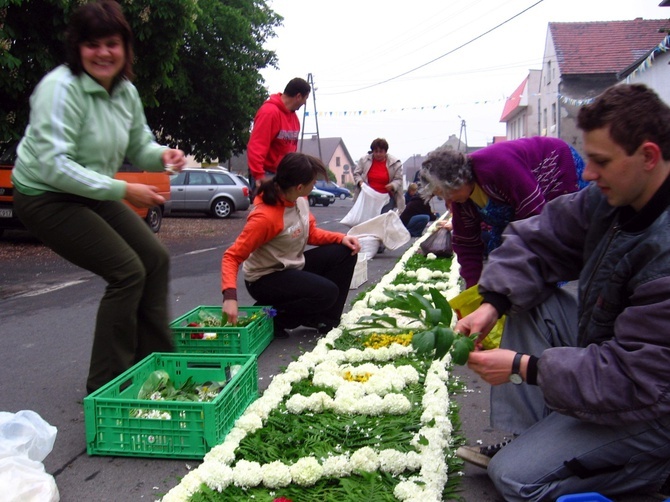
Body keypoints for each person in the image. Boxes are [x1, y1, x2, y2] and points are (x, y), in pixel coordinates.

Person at [454, 83, 670, 500]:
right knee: (528, 301)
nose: (587, 174)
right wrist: (492, 304)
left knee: (516, 479)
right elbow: (538, 239)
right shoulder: (612, 197)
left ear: (648, 156)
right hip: (617, 359)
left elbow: (639, 377)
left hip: (655, 401)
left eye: (600, 161)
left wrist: (524, 367)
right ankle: (540, 440)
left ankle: (652, 471)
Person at [11, 0, 186, 394]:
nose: (103, 53)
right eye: (92, 44)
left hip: (91, 188)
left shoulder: (124, 92)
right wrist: (124, 188)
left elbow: (139, 144)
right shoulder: (59, 89)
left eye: (111, 43)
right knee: (127, 272)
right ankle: (108, 388)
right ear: (78, 47)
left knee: (154, 259)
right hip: (46, 194)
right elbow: (56, 166)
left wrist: (162, 156)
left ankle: (157, 371)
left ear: (124, 46)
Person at [222, 152, 360, 338]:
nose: (315, 186)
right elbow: (232, 256)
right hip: (265, 278)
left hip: (292, 266)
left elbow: (309, 233)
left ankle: (325, 321)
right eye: (313, 182)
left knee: (345, 252)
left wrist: (341, 238)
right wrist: (230, 298)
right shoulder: (265, 217)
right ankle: (270, 318)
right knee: (327, 292)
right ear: (300, 186)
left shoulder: (299, 200)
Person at [419, 137, 587, 288]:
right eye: (442, 197)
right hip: (518, 204)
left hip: (556, 171)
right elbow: (466, 244)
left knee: (544, 253)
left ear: (456, 181)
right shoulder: (461, 200)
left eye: (446, 194)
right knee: (500, 257)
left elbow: (535, 221)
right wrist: (473, 289)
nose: (448, 201)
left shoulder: (499, 166)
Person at [246, 77, 311, 190]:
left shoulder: (294, 118)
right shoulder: (269, 112)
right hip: (267, 174)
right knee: (268, 208)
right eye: (305, 98)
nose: (305, 103)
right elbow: (257, 146)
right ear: (298, 96)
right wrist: (259, 175)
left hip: (284, 175)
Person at [353, 138, 405, 214]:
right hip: (368, 197)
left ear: (385, 152)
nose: (378, 154)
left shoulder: (395, 163)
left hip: (386, 198)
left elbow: (399, 179)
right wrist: (360, 182)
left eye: (381, 152)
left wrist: (393, 185)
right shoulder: (364, 160)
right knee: (368, 220)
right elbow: (356, 174)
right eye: (375, 151)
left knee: (381, 220)